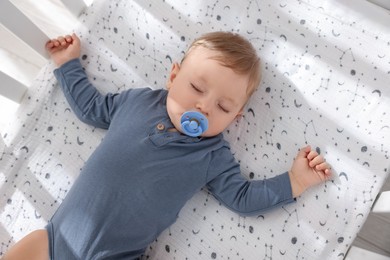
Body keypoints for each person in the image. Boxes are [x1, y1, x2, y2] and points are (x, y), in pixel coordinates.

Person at [2, 32, 331, 260]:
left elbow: (242, 197)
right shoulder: (136, 101)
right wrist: (67, 64)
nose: (204, 107)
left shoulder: (213, 155)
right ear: (173, 76)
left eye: (223, 107)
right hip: (53, 243)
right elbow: (91, 108)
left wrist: (295, 181)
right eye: (197, 87)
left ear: (236, 118)